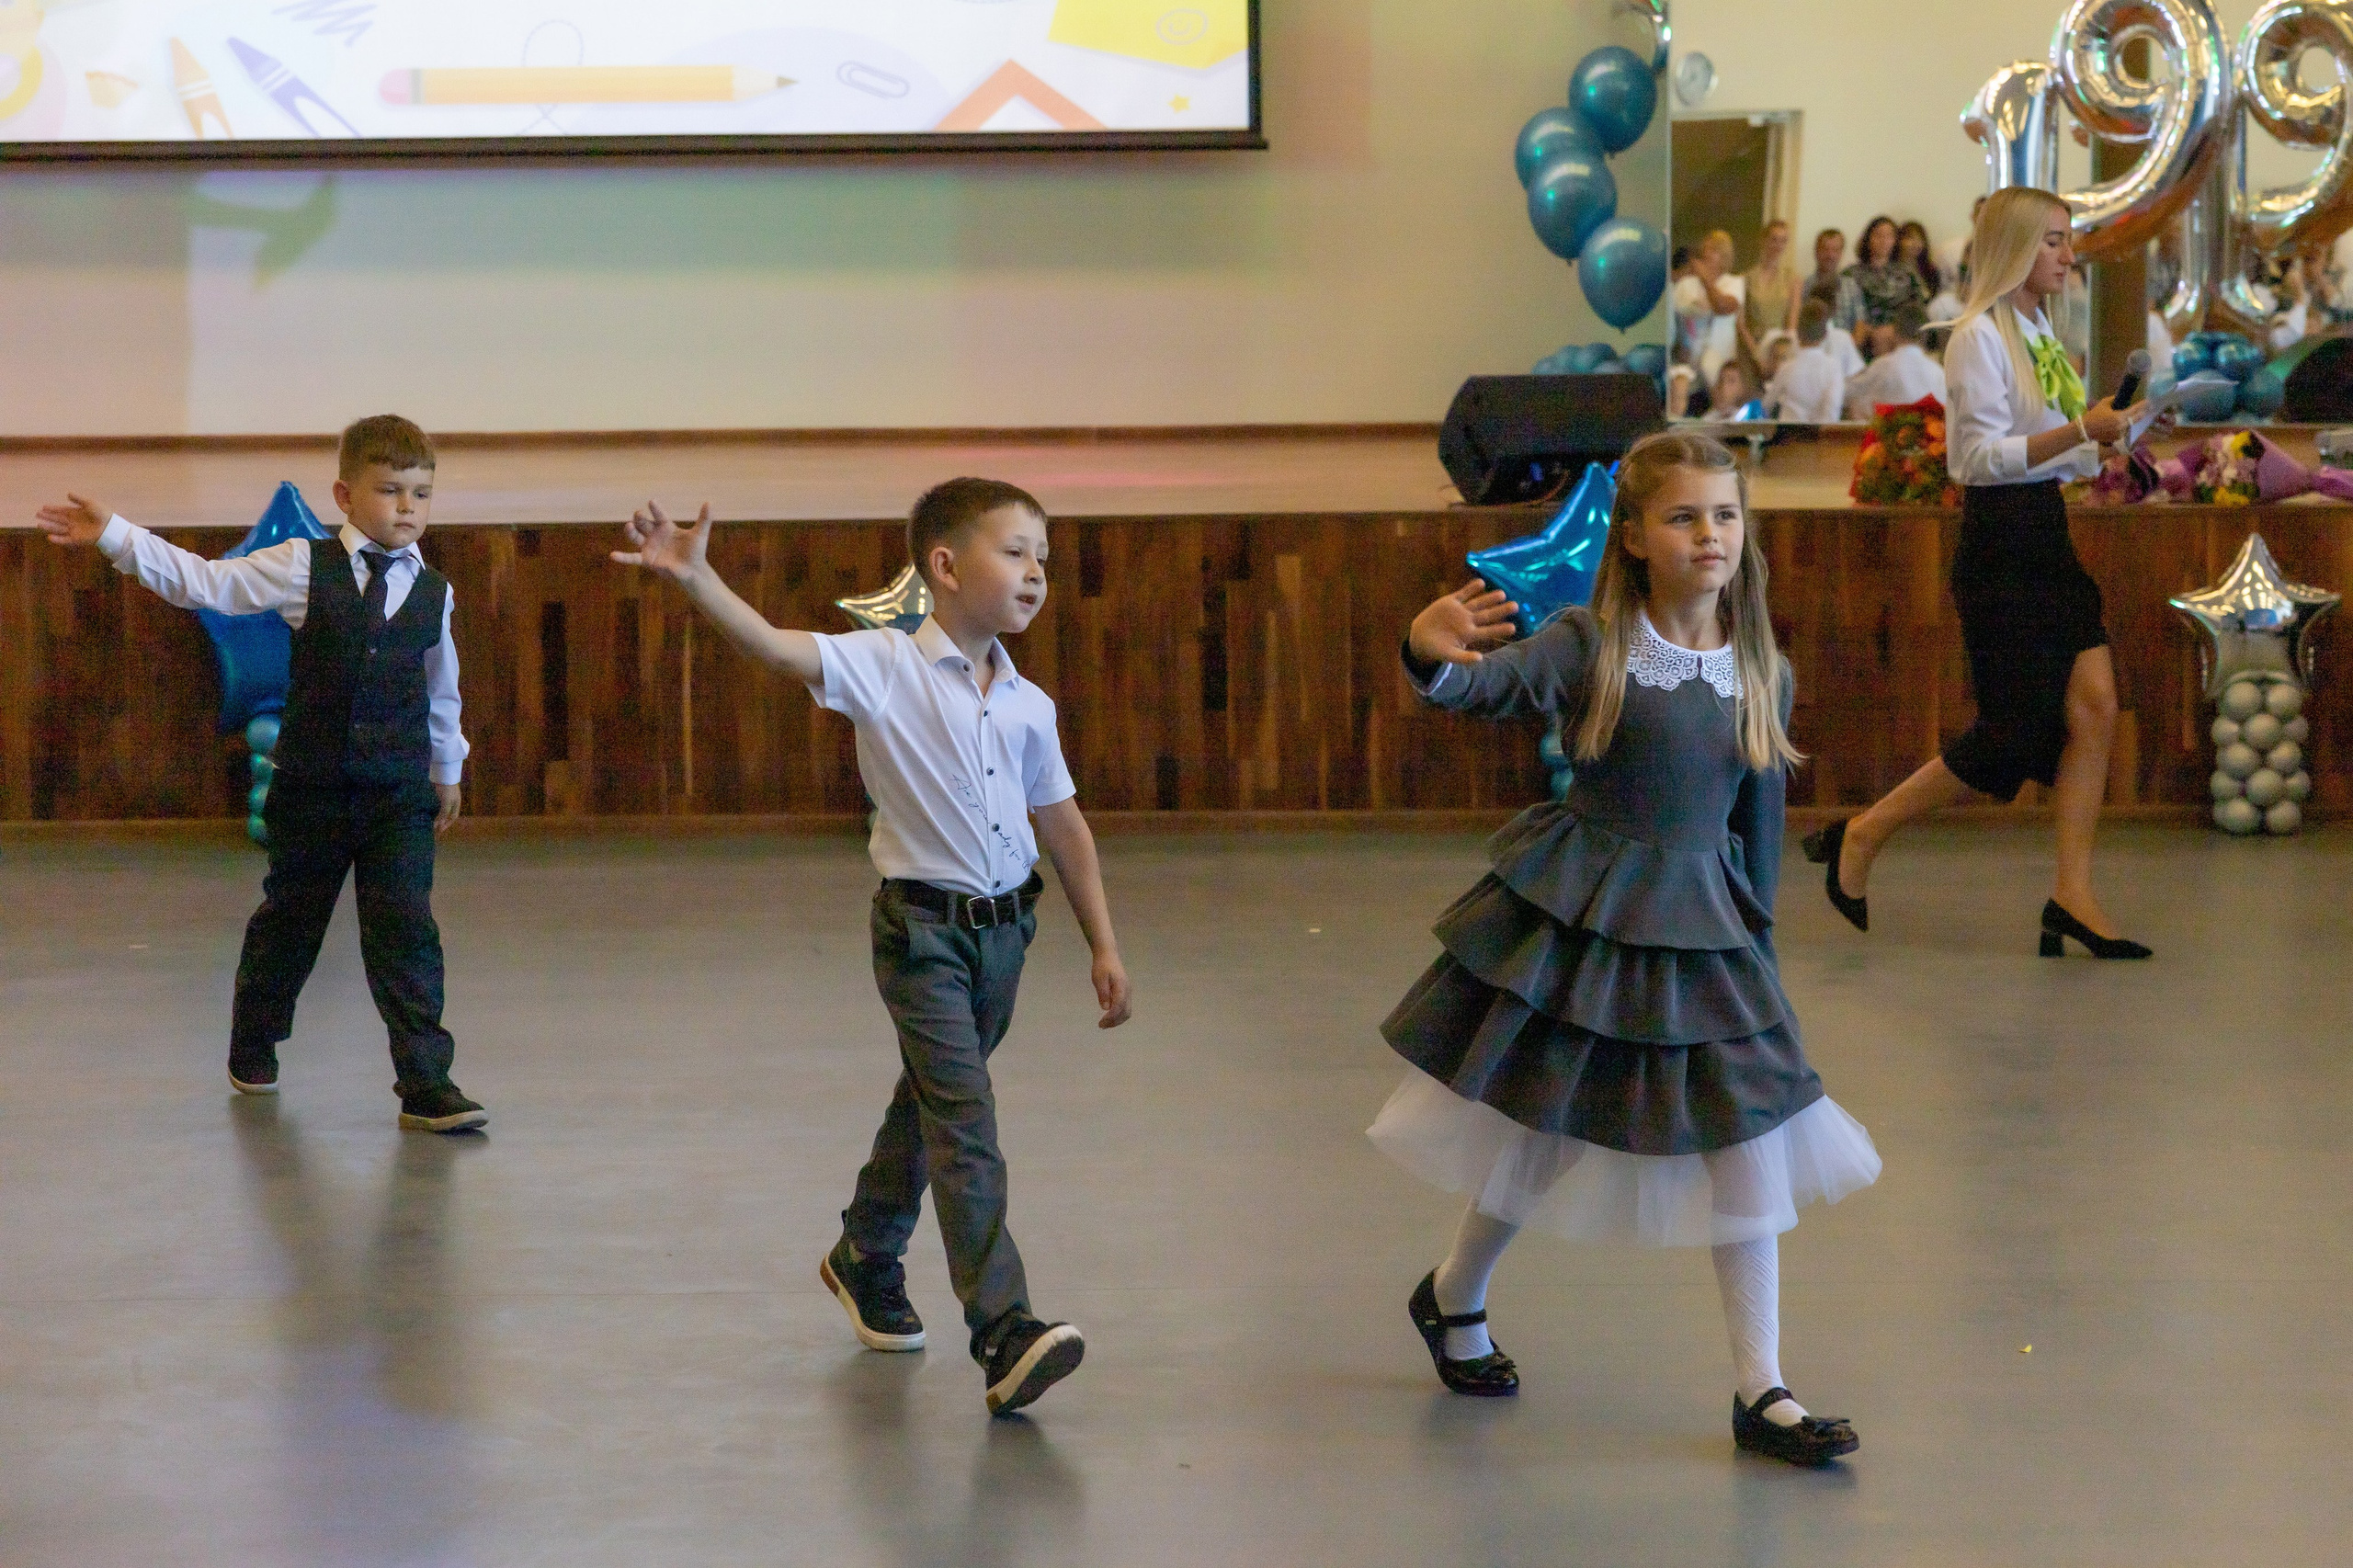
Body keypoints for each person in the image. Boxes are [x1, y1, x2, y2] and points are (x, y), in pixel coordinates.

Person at [1371, 430, 1881, 1468]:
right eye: (1685, 516)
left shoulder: (1761, 673)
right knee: (1546, 1126)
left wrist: (1762, 959)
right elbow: (1480, 689)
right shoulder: (1585, 642)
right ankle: (1453, 1289)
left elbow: (1758, 829)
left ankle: (1760, 1386)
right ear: (1637, 536)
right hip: (1591, 915)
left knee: (1747, 1138)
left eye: (1726, 515)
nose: (1710, 534)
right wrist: (1429, 652)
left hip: (1708, 930)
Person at [609, 477, 1132, 1416]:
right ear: (944, 564)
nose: (1036, 573)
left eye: (1043, 557)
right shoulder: (880, 666)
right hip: (920, 935)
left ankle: (865, 1251)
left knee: (931, 1105)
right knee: (965, 1121)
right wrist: (696, 579)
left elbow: (1065, 827)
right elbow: (773, 647)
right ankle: (1004, 1329)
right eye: (1015, 551)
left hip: (1006, 934)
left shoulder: (1027, 704)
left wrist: (1104, 943)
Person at [34, 416, 486, 1132]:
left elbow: (442, 687)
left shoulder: (435, 592)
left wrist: (447, 767)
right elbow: (206, 584)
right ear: (345, 493)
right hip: (312, 793)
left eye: (422, 494)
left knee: (405, 933)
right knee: (291, 926)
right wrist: (119, 535)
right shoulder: (302, 566)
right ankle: (255, 1038)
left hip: (397, 795)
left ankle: (427, 1083)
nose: (408, 507)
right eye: (391, 490)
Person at [1803, 187, 2164, 959]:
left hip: (2044, 533)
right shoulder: (1977, 336)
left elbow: (2042, 449)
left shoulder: (2036, 330)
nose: (2069, 257)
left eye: (2069, 242)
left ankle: (2072, 892)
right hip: (2002, 546)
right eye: (2055, 243)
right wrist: (2077, 429)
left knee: (2095, 705)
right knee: (2007, 735)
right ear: (2017, 249)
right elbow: (1973, 461)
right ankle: (1861, 834)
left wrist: (2098, 442)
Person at [1841, 301, 1946, 420]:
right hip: (1925, 436)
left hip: (1886, 436)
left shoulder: (1882, 366)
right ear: (1925, 335)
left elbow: (1844, 393)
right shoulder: (1938, 373)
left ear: (1895, 332)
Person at [1737, 219, 1803, 391]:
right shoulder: (1746, 278)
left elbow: (1792, 324)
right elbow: (1741, 323)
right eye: (1774, 239)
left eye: (1783, 240)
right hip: (1752, 349)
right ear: (1764, 240)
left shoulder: (1792, 279)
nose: (1778, 245)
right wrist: (1758, 356)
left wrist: (1779, 358)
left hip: (1780, 352)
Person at [1673, 231, 1745, 386]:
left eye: (1714, 250)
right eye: (1705, 249)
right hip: (1688, 362)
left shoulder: (1734, 283)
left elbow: (1723, 308)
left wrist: (1706, 279)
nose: (1706, 254)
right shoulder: (1686, 284)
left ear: (1725, 256)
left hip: (1719, 363)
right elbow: (1675, 319)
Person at [1842, 216, 1929, 340]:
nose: (1883, 241)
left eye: (1889, 236)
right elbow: (1846, 311)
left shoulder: (1907, 272)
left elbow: (1921, 305)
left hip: (1901, 331)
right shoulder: (1852, 274)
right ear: (1868, 239)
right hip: (1863, 332)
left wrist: (1898, 328)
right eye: (1878, 235)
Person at [1803, 228, 1869, 380]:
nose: (1830, 255)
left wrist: (1844, 349)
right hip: (1814, 355)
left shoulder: (1852, 285)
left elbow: (1861, 325)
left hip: (1845, 356)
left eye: (1835, 250)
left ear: (1841, 253)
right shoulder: (1806, 285)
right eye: (1825, 249)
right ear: (1816, 252)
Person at [1767, 300, 1847, 422]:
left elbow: (1767, 405)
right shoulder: (1833, 368)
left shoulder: (1787, 368)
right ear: (1825, 335)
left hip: (1788, 436)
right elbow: (1832, 410)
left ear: (1798, 334)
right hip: (1819, 436)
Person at [1896, 220, 1942, 301]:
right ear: (1900, 240)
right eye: (1910, 238)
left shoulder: (1929, 270)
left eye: (1920, 239)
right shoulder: (1892, 268)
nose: (1916, 243)